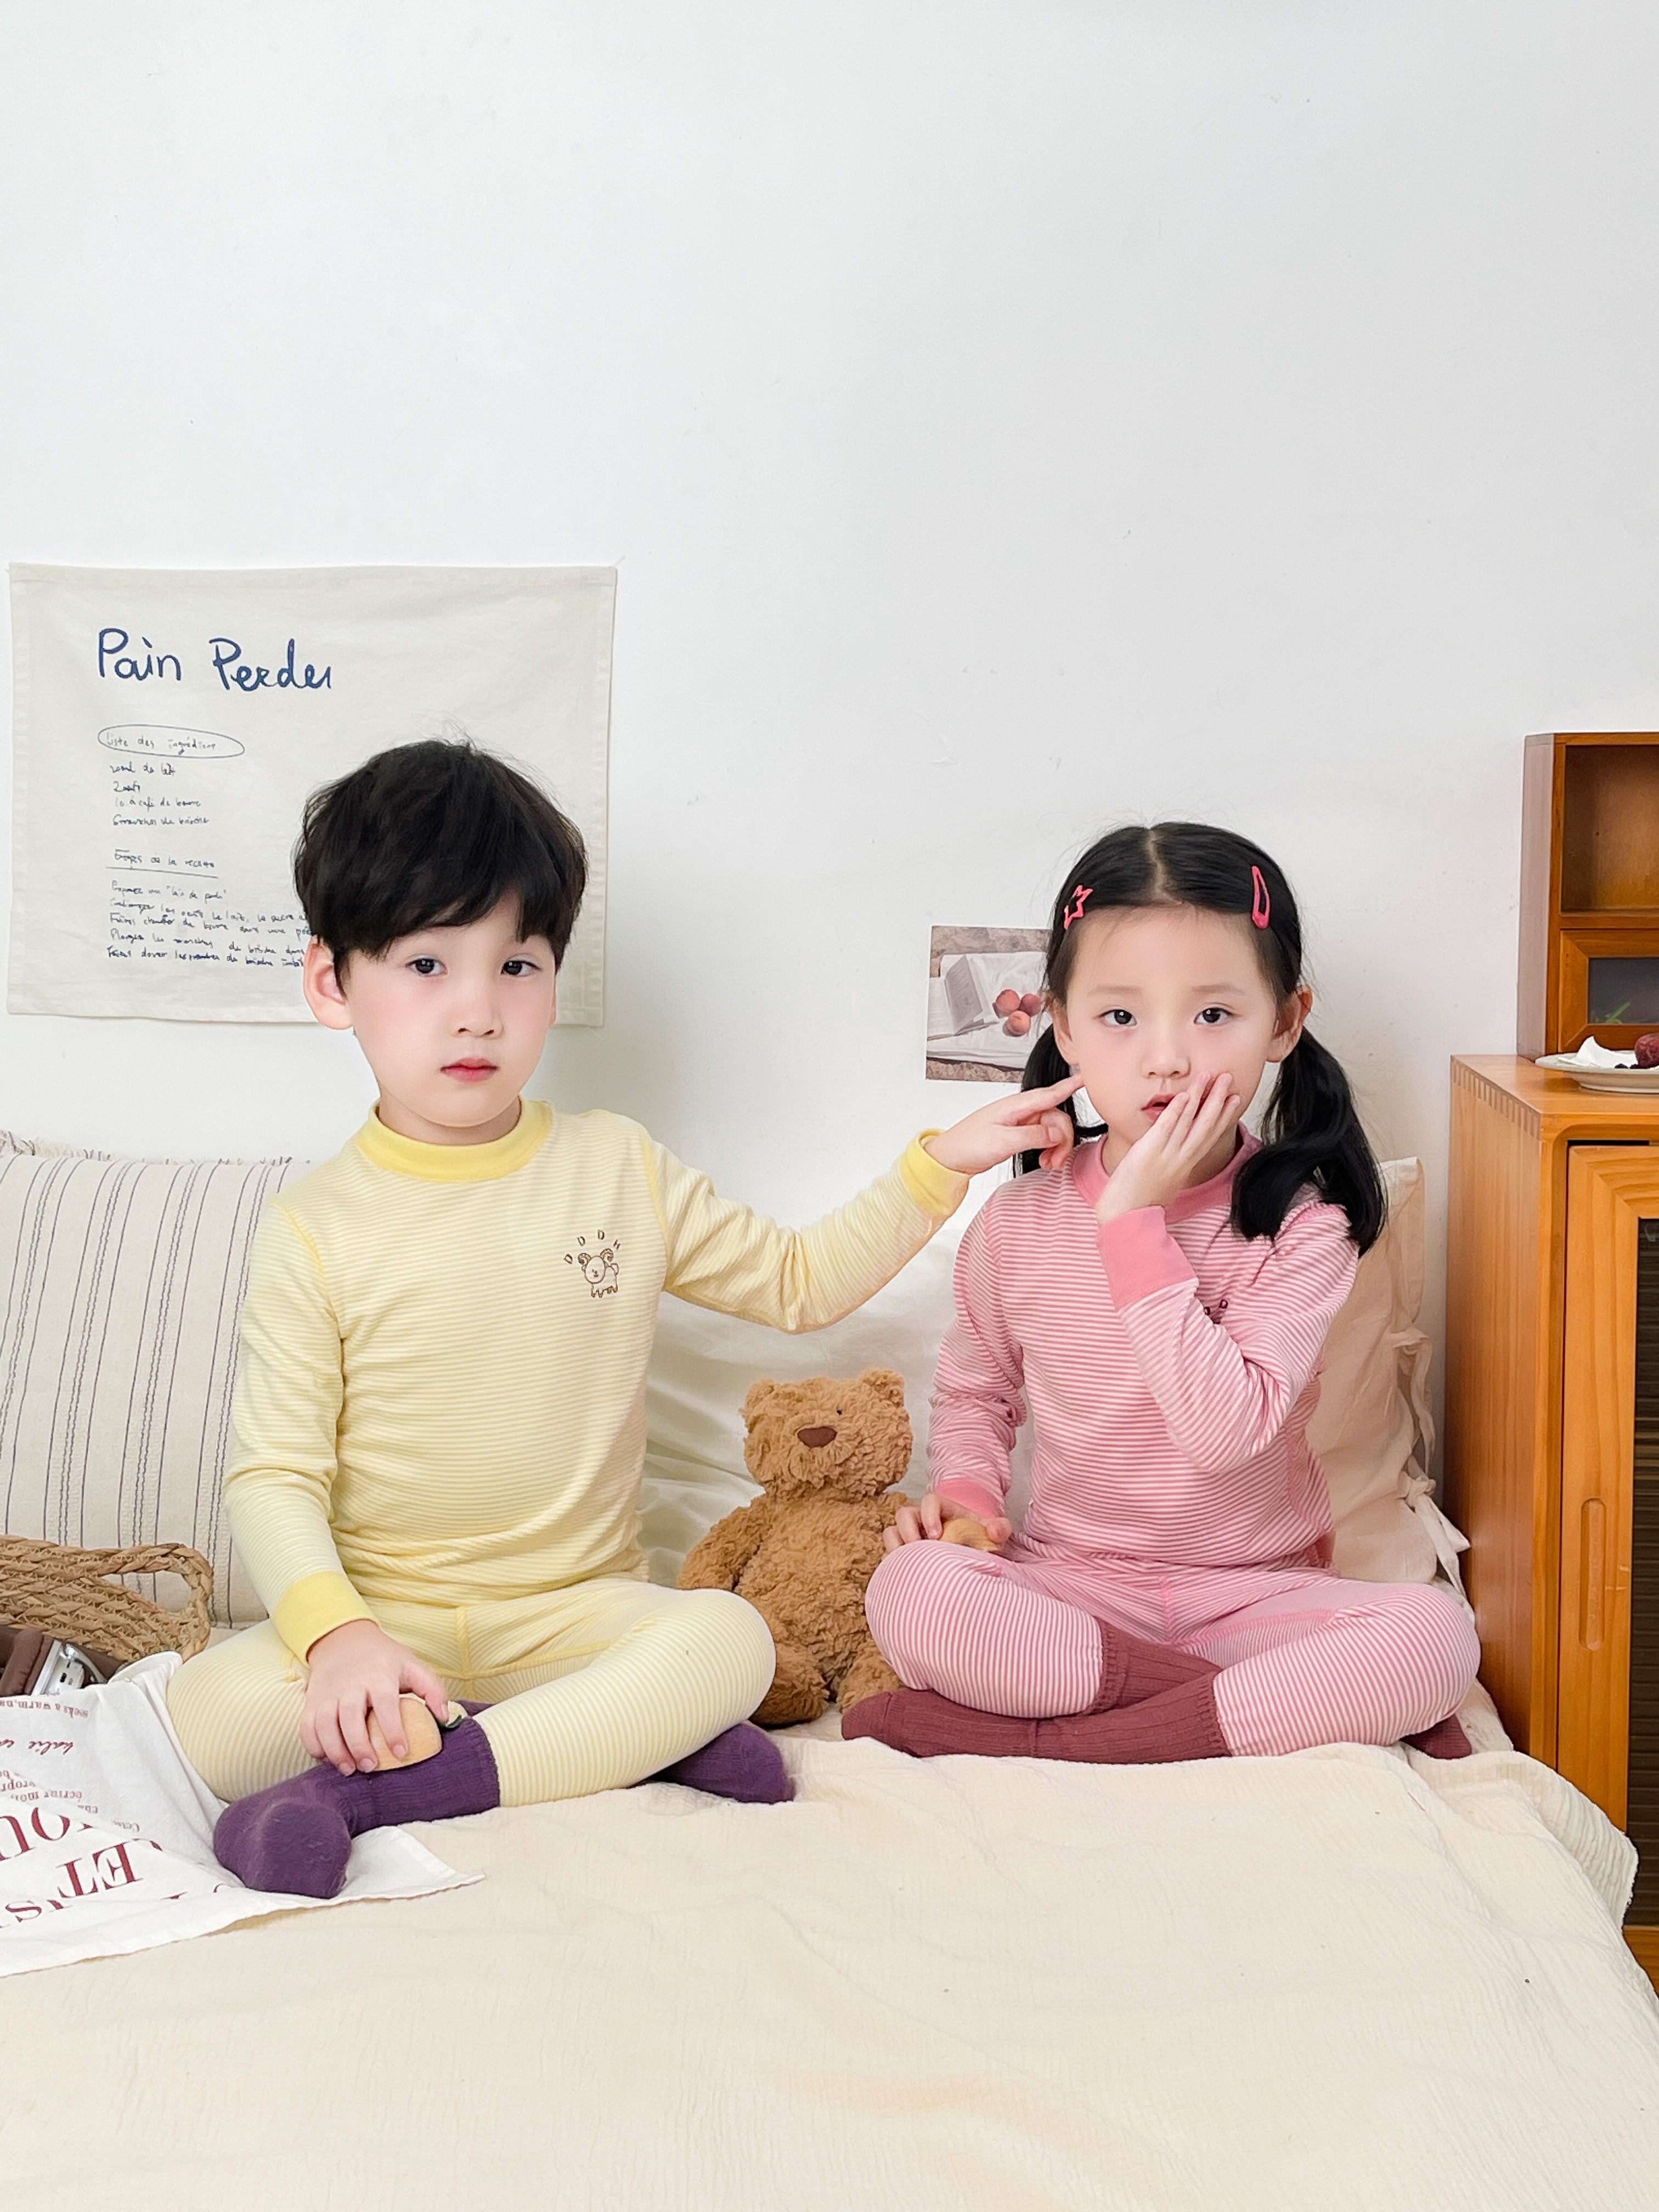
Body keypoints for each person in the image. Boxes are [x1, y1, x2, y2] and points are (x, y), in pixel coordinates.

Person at [167, 740, 1080, 1897]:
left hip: (574, 1615)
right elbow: (274, 1477)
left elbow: (797, 1282)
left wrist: (940, 1163)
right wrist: (339, 1636)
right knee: (205, 1720)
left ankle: (386, 1788)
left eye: (517, 965)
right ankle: (606, 1740)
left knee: (728, 1642)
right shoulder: (314, 1225)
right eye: (427, 964)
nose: (477, 1012)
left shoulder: (616, 1168)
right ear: (331, 985)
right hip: (386, 1621)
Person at [848, 821, 1480, 1767]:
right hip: (1074, 1595)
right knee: (912, 1592)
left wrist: (1132, 1223)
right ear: (1063, 1026)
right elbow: (978, 1390)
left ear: (1286, 1022)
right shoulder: (1019, 1221)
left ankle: (1060, 1741)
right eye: (1120, 1017)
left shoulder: (1305, 1227)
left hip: (1254, 1599)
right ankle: (1238, 1715)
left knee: (1434, 1639)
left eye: (1213, 1015)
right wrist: (968, 1502)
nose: (1168, 1058)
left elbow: (1223, 1432)